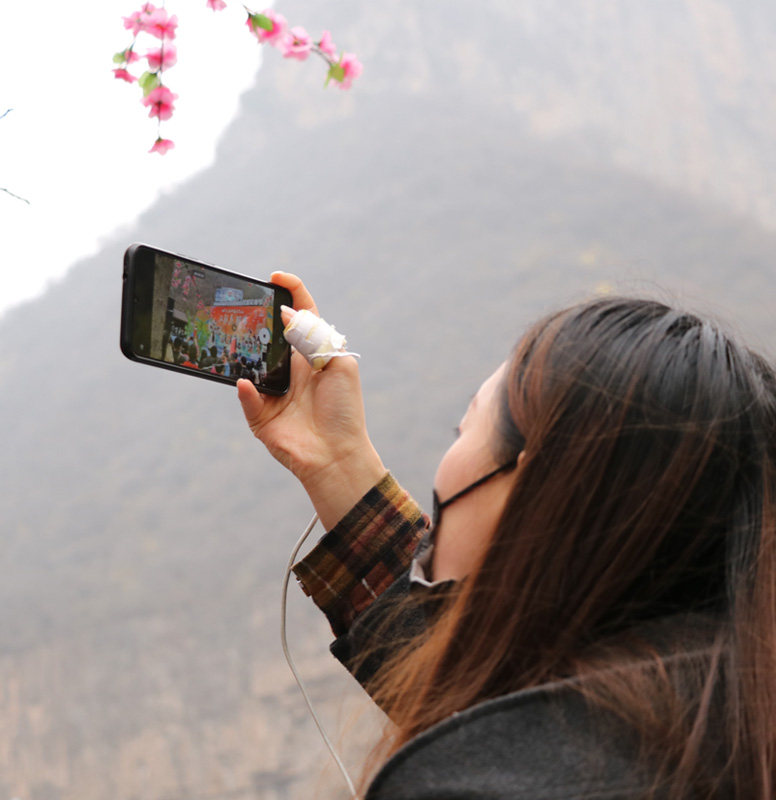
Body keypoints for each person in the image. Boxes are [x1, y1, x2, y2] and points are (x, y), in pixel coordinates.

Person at [237, 272, 776, 799]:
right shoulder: (732, 722)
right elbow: (472, 685)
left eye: (464, 429)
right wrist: (338, 462)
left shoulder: (475, 781)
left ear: (534, 483)